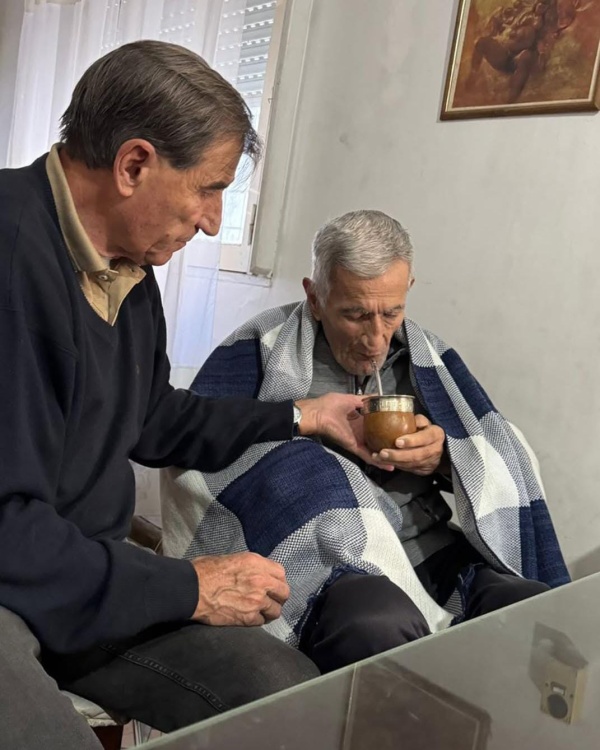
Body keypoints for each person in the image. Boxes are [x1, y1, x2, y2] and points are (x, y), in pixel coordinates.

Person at [0, 42, 377, 749]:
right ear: (134, 165)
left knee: (287, 697)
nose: (210, 219)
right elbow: (8, 532)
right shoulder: (12, 253)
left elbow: (151, 417)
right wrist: (189, 586)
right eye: (209, 188)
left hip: (88, 577)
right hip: (12, 584)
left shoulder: (129, 266)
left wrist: (304, 415)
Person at [162, 209, 569, 675]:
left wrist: (443, 458)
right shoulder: (260, 350)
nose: (376, 339)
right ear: (315, 298)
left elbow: (499, 450)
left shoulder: (426, 361)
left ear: (408, 290)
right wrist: (306, 442)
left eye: (391, 312)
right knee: (379, 626)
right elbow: (194, 456)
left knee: (528, 610)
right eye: (354, 315)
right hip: (317, 561)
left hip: (424, 548)